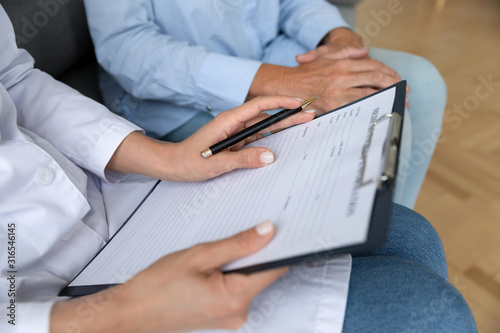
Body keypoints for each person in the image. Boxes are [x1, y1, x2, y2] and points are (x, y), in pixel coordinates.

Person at [0, 6, 476, 333]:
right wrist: (113, 312)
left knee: (407, 233)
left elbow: (13, 77)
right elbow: (130, 49)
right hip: (42, 302)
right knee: (436, 314)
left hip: (108, 194)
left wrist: (166, 157)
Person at [83, 0, 447, 209]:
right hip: (178, 93)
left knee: (419, 85)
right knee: (377, 112)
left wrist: (337, 38)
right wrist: (286, 81)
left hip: (277, 49)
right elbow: (127, 47)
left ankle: (393, 232)